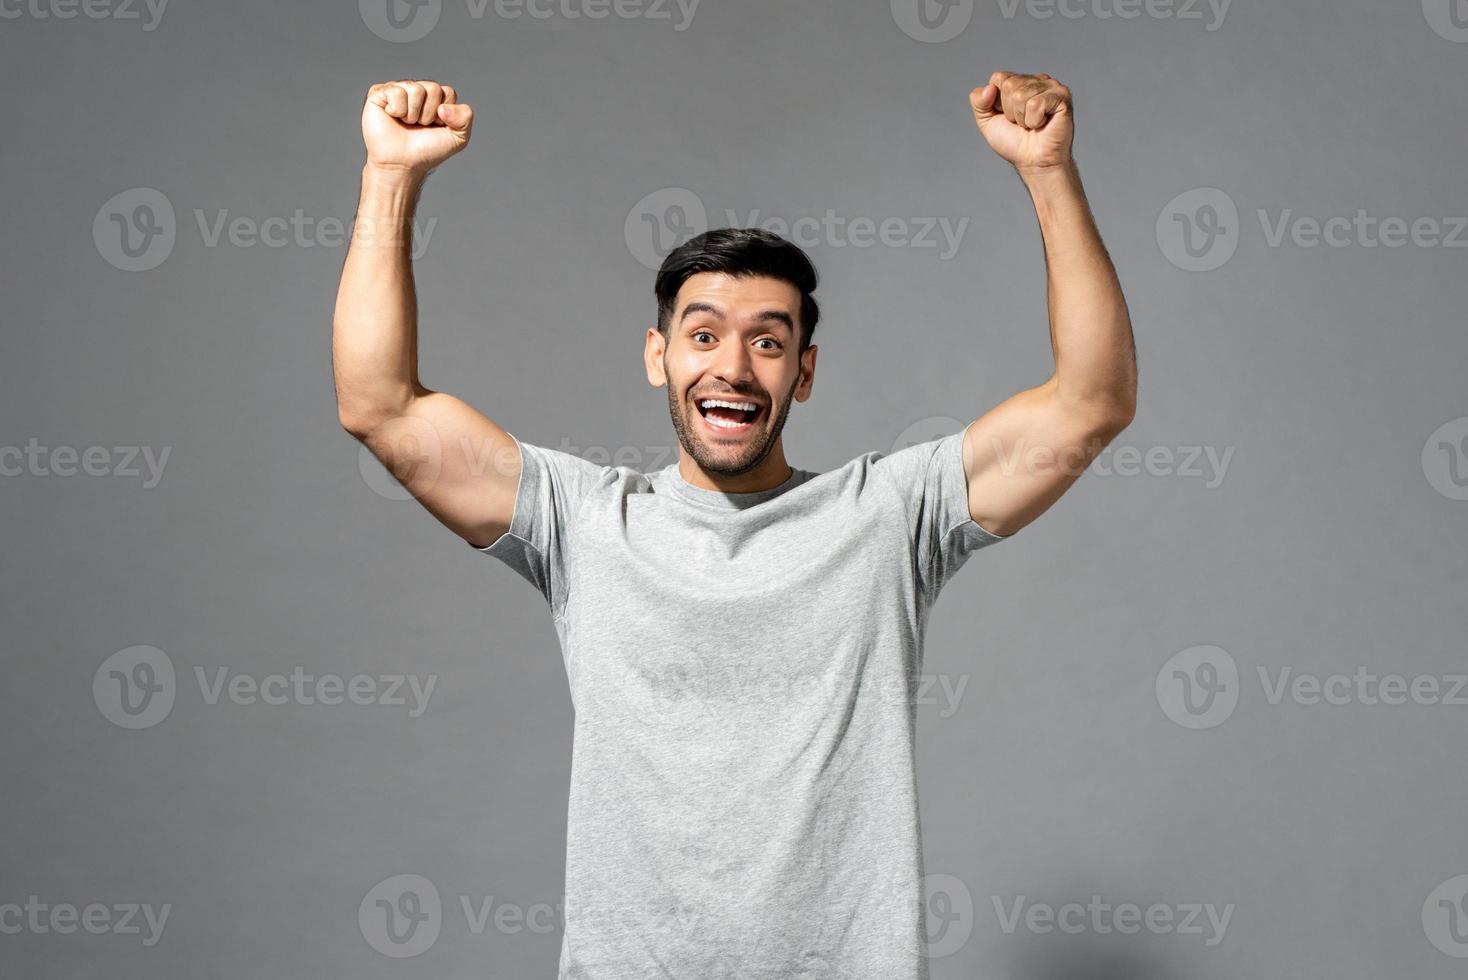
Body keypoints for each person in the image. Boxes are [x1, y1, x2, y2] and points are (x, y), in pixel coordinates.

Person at [332, 72, 1136, 980]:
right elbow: (381, 407)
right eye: (704, 334)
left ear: (804, 372)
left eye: (768, 340)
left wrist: (1049, 171)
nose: (735, 369)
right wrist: (390, 175)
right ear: (658, 356)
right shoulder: (584, 524)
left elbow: (1090, 403)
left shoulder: (888, 517)